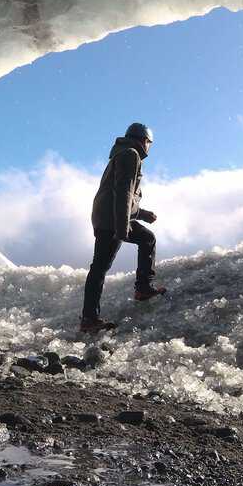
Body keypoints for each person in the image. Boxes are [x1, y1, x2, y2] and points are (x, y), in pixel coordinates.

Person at [80, 122, 167, 332]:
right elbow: (124, 192)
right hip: (113, 220)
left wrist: (142, 214)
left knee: (102, 265)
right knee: (101, 266)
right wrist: (121, 226)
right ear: (143, 140)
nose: (149, 147)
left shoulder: (123, 153)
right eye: (149, 142)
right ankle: (91, 318)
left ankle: (141, 289)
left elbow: (123, 196)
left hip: (108, 217)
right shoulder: (131, 155)